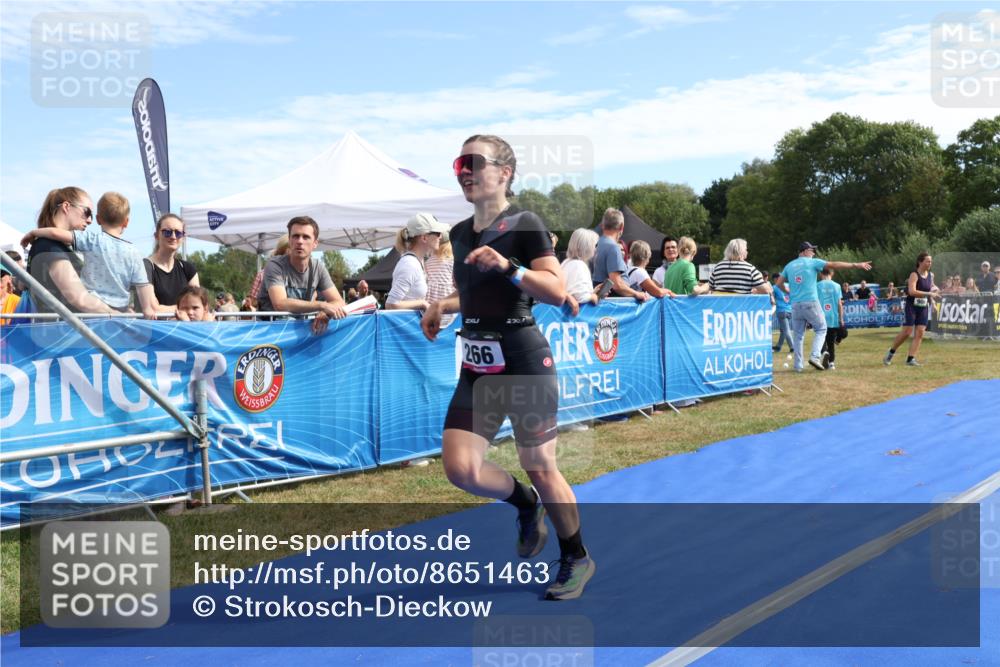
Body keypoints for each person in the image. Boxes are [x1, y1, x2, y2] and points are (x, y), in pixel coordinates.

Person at [421, 133, 594, 601]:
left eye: (474, 162)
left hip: (522, 359)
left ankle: (576, 557)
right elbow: (476, 293)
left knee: (539, 463)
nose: (465, 172)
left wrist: (509, 267)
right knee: (461, 469)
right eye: (460, 164)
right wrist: (443, 305)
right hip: (478, 365)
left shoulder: (525, 224)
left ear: (505, 172)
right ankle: (524, 503)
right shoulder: (460, 233)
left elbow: (555, 290)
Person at [21, 192, 156, 318]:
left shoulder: (90, 240)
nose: (89, 220)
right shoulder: (133, 251)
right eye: (87, 212)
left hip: (91, 315)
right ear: (126, 222)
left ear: (99, 219)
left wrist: (34, 232)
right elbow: (142, 285)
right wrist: (136, 311)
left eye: (92, 215)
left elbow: (55, 233)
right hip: (102, 314)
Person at [775, 241, 871, 372]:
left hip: (795, 305)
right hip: (810, 301)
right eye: (812, 250)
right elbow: (834, 265)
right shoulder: (812, 262)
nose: (814, 253)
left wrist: (787, 291)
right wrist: (855, 265)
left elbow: (779, 283)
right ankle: (815, 357)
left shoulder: (789, 265)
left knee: (798, 336)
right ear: (805, 251)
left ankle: (798, 366)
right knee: (821, 328)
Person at [25, 187, 114, 315]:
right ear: (66, 207)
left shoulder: (53, 245)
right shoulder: (49, 246)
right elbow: (81, 300)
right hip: (61, 326)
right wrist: (117, 314)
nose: (89, 220)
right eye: (87, 212)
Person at [256, 216, 347, 334]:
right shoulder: (275, 265)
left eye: (306, 237)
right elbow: (280, 303)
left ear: (315, 243)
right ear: (289, 240)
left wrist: (325, 312)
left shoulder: (318, 268)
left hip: (299, 334)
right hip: (269, 333)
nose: (300, 241)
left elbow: (339, 301)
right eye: (295, 236)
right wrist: (321, 306)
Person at [884, 252, 940, 367]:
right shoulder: (914, 275)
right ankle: (891, 352)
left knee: (920, 332)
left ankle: (911, 359)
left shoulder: (931, 275)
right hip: (911, 306)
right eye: (928, 261)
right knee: (907, 332)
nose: (930, 263)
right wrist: (929, 294)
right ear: (920, 262)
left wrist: (933, 302)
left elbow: (930, 290)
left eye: (931, 261)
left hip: (923, 307)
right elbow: (912, 291)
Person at [386, 212, 447, 310]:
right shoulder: (410, 264)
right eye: (437, 233)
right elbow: (391, 304)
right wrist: (422, 303)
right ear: (424, 238)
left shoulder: (417, 261)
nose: (440, 237)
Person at [145, 213, 200, 316]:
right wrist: (185, 308)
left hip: (183, 326)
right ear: (156, 236)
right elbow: (152, 309)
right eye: (167, 232)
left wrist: (164, 308)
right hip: (155, 326)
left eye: (178, 233)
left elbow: (197, 306)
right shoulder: (146, 266)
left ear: (183, 237)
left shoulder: (188, 269)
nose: (173, 237)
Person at [592, 208, 648, 302]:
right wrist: (637, 293)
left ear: (602, 225)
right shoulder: (612, 247)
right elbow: (617, 285)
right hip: (612, 305)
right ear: (621, 226)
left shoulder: (598, 244)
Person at [695, 238, 773, 300]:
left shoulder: (718, 266)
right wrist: (756, 290)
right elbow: (767, 291)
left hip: (719, 309)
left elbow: (710, 286)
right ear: (741, 252)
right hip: (739, 310)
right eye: (746, 250)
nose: (747, 252)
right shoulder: (750, 269)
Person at [560, 227, 602, 316]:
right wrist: (593, 297)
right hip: (574, 317)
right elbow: (580, 297)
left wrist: (593, 291)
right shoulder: (579, 265)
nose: (596, 249)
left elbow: (572, 291)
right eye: (595, 245)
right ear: (587, 247)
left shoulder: (567, 262)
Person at [816, 267, 844, 370]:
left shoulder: (817, 285)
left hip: (820, 316)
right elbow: (839, 304)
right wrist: (841, 318)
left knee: (821, 339)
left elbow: (815, 302)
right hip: (833, 316)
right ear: (831, 273)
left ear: (821, 274)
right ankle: (831, 363)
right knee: (831, 342)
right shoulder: (837, 286)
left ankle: (824, 353)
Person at [772, 273, 795, 355]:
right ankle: (778, 346)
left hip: (781, 311)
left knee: (786, 330)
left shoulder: (774, 287)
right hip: (790, 310)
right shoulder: (788, 285)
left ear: (775, 279)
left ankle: (793, 347)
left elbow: (772, 299)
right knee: (783, 330)